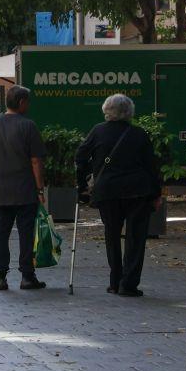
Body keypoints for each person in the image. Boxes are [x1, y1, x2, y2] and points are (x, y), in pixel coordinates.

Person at [75, 94, 163, 297]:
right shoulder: (139, 134)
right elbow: (151, 166)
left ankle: (115, 281)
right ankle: (128, 284)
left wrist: (85, 182)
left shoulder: (98, 131)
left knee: (112, 235)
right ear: (129, 112)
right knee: (136, 238)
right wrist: (156, 194)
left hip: (108, 191)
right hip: (138, 191)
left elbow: (80, 156)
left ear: (106, 110)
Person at [0, 85, 47, 291]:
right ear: (21, 102)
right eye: (28, 102)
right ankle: (27, 276)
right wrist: (40, 188)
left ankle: (0, 277)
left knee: (1, 235)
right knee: (26, 235)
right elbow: (36, 161)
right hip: (24, 191)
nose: (29, 105)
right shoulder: (28, 125)